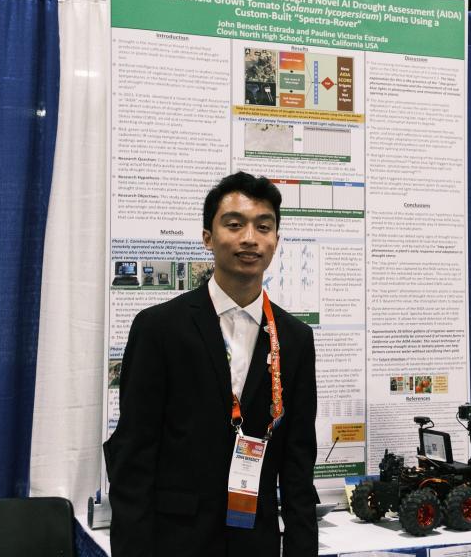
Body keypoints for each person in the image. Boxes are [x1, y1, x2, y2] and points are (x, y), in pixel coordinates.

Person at [104, 172, 318, 557]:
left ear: (276, 241)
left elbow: (299, 463)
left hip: (257, 542)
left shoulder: (295, 339)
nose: (250, 238)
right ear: (208, 237)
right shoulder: (159, 328)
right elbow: (133, 458)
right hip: (176, 540)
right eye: (234, 224)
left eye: (263, 227)